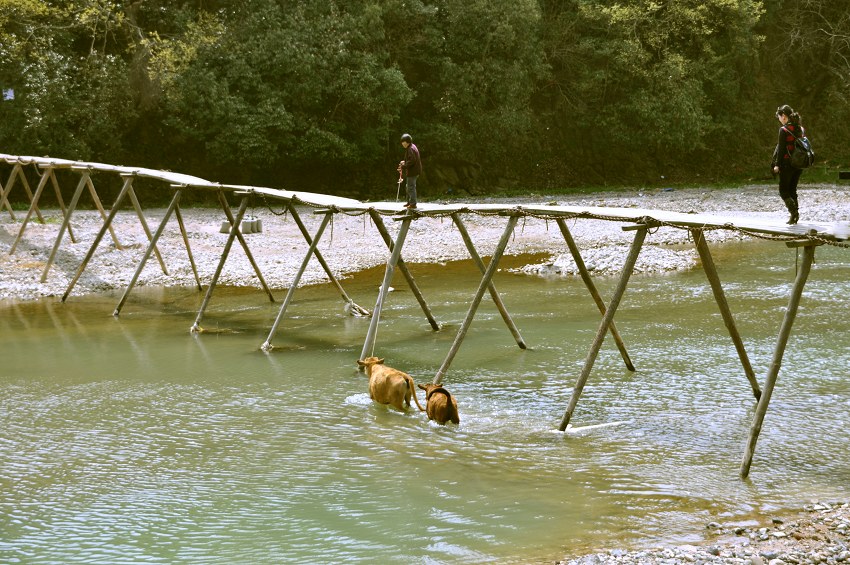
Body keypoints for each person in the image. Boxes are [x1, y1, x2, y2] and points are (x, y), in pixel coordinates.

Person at [771, 104, 805, 224]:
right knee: (792, 190)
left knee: (784, 191)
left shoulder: (784, 130)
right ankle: (795, 217)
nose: (779, 120)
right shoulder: (800, 128)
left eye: (779, 117)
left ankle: (794, 213)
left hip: (786, 164)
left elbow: (781, 150)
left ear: (784, 116)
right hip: (799, 164)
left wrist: (777, 165)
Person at [398, 133, 422, 208]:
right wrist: (404, 162)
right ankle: (409, 202)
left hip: (413, 171)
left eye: (403, 142)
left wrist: (403, 166)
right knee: (408, 186)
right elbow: (410, 159)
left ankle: (413, 203)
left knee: (411, 187)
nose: (402, 143)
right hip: (414, 170)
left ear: (407, 142)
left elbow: (412, 161)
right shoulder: (411, 147)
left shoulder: (410, 148)